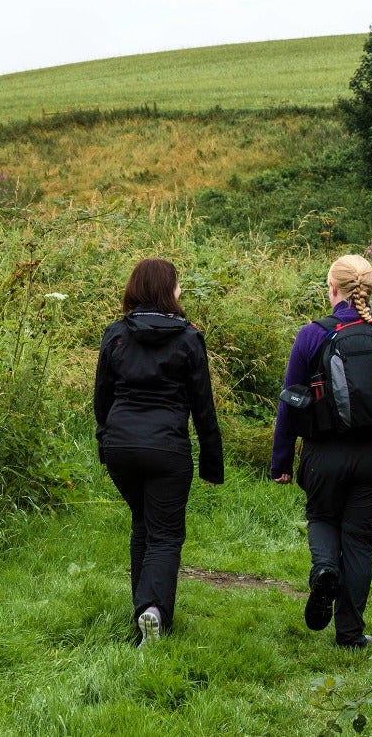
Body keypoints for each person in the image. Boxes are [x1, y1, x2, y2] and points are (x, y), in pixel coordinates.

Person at [271, 254, 372, 649]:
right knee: (359, 541)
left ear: (332, 289)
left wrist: (281, 462)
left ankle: (324, 569)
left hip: (322, 455)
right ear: (369, 290)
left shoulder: (312, 334)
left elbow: (290, 401)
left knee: (323, 517)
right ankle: (349, 635)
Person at [94, 258, 224, 645]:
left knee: (143, 526)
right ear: (168, 291)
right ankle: (154, 612)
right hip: (166, 449)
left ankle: (143, 614)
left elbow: (102, 398)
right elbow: (204, 407)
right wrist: (212, 464)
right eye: (178, 285)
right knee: (165, 534)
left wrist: (106, 439)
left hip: (120, 446)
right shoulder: (188, 338)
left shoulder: (116, 334)